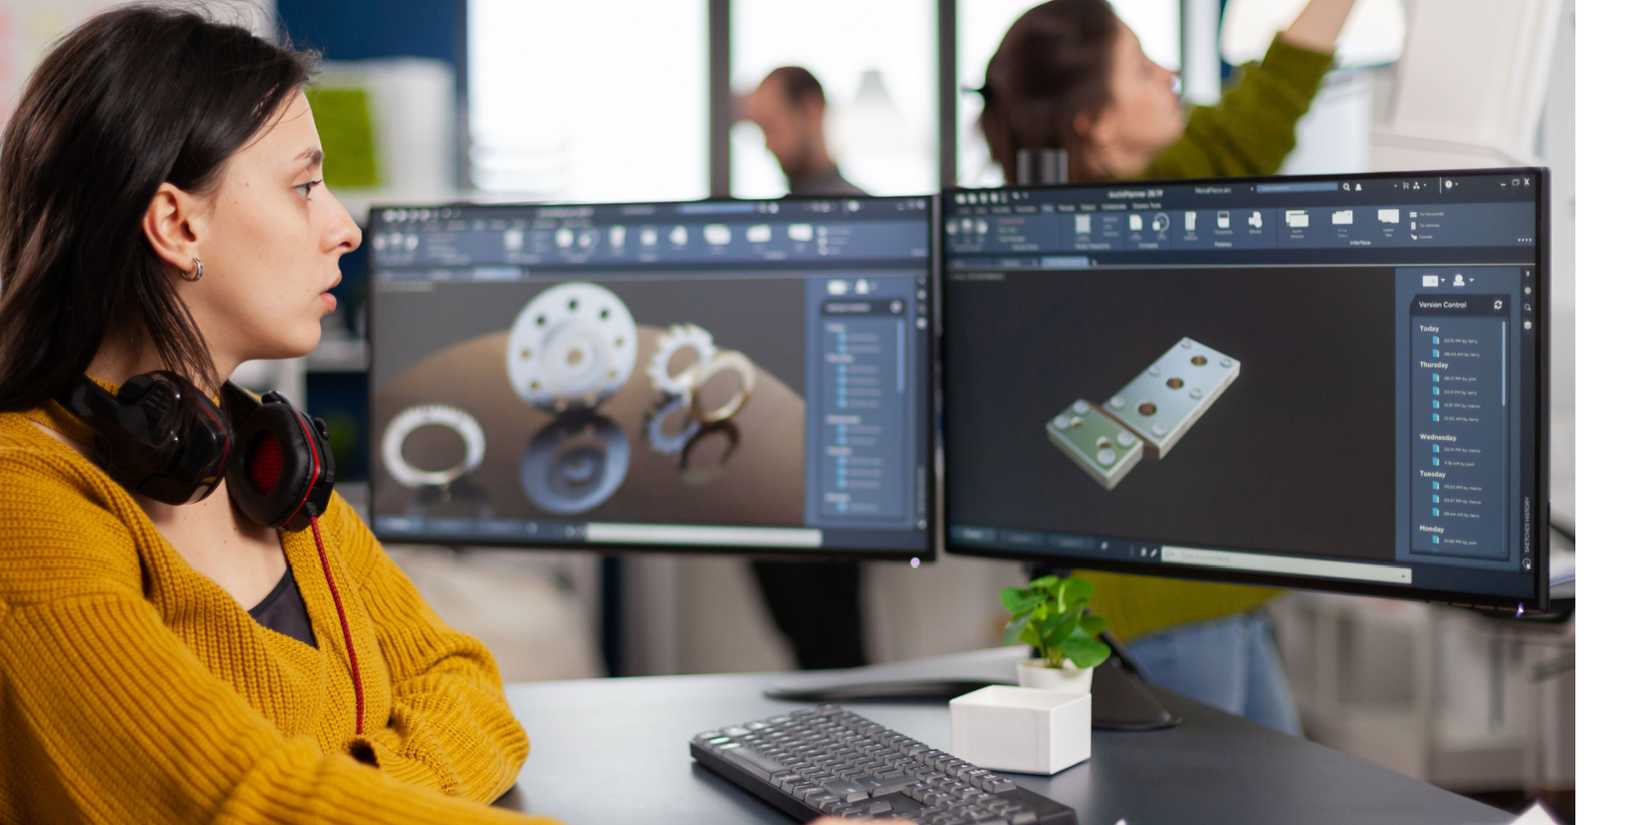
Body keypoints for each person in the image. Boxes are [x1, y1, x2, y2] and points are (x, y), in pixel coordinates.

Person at [976, 0, 1360, 734]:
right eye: (1142, 68)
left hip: (1227, 592)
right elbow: (1066, 448)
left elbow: (1276, 90)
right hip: (1150, 612)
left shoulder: (1181, 181)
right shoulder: (1030, 251)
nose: (1170, 74)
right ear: (1095, 121)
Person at [740, 66, 869, 671]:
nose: (767, 142)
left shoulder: (863, 219)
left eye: (772, 125)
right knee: (804, 638)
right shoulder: (765, 226)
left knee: (834, 640)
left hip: (832, 469)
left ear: (811, 110)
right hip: (770, 461)